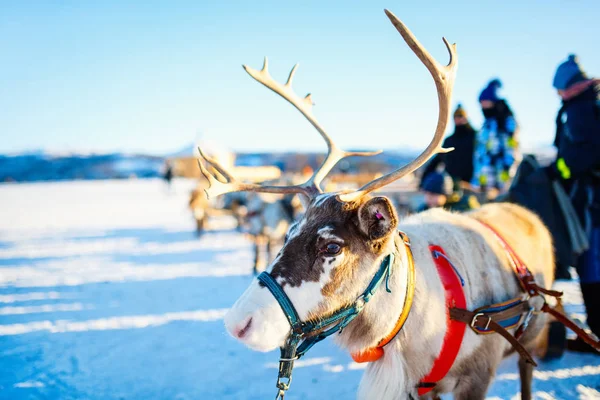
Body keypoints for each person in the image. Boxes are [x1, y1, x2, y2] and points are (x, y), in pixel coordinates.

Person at [547, 54, 600, 354]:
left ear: (571, 86)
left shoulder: (581, 110)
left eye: (559, 88)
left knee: (592, 267)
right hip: (591, 198)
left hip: (592, 203)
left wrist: (558, 171)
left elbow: (581, 158)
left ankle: (595, 335)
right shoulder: (590, 104)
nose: (557, 94)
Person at [471, 79, 519, 194]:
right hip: (483, 182)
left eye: (485, 102)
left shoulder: (507, 123)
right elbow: (481, 153)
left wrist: (505, 180)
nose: (482, 106)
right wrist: (477, 182)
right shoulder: (487, 124)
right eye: (481, 103)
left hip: (499, 183)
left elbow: (511, 151)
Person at [420, 104, 477, 187]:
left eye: (461, 116)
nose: (458, 119)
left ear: (466, 118)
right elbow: (436, 161)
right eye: (456, 117)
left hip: (472, 185)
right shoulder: (449, 141)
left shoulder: (476, 138)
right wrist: (423, 179)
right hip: (451, 185)